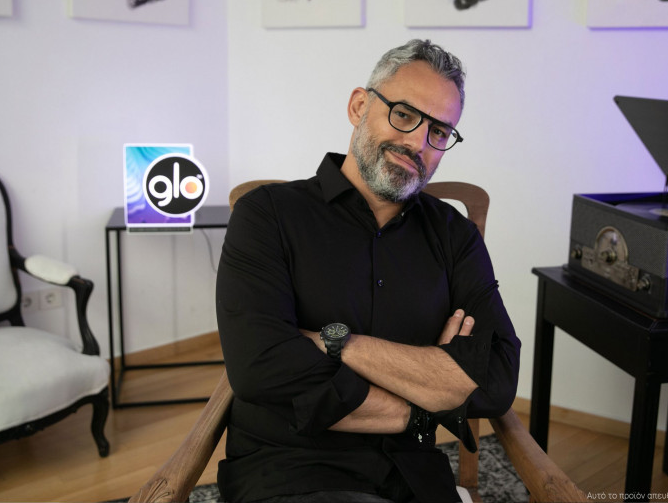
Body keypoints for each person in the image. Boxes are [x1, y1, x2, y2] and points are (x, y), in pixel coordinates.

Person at [216, 39, 521, 503]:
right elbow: (260, 368)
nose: (417, 142)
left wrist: (336, 343)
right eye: (404, 114)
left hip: (415, 476)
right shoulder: (267, 214)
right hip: (289, 470)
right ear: (359, 106)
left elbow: (496, 380)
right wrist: (426, 401)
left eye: (439, 131)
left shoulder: (455, 235)